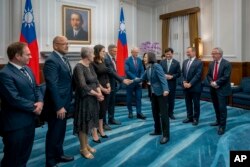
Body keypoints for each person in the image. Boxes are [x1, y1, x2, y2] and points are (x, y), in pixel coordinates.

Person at [0, 42, 43, 166]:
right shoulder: (5, 74)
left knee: (25, 154)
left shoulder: (27, 69)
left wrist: (40, 101)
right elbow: (14, 99)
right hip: (15, 124)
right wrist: (35, 107)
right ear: (18, 56)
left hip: (29, 120)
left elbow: (36, 87)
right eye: (28, 54)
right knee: (12, 158)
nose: (31, 57)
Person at [43, 36, 74, 167]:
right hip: (57, 105)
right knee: (54, 133)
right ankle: (50, 161)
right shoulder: (51, 61)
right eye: (64, 44)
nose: (67, 46)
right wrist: (59, 106)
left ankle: (59, 154)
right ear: (55, 46)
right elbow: (52, 85)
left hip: (65, 102)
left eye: (67, 43)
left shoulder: (64, 58)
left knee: (60, 131)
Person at [72, 47, 104, 159]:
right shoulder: (78, 67)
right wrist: (97, 94)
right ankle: (83, 148)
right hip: (84, 100)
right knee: (83, 124)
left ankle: (86, 144)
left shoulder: (90, 65)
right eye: (92, 54)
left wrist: (99, 92)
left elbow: (95, 81)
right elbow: (82, 86)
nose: (94, 56)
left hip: (93, 99)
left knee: (90, 122)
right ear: (87, 55)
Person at [136, 52, 170, 144]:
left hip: (161, 93)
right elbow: (142, 78)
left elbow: (163, 78)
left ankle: (166, 135)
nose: (144, 58)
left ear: (150, 57)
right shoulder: (148, 67)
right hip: (153, 93)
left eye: (146, 57)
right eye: (144, 57)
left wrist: (166, 90)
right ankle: (158, 130)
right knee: (155, 112)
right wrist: (131, 80)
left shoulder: (157, 66)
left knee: (163, 115)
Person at [104, 44, 132, 127]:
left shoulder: (112, 58)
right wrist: (122, 80)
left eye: (116, 51)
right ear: (109, 50)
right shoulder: (106, 59)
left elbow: (114, 72)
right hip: (107, 85)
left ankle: (111, 119)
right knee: (106, 104)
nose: (116, 52)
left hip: (113, 84)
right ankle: (104, 123)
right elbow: (111, 72)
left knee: (112, 103)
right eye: (114, 51)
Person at [206, 47, 232, 135]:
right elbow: (208, 75)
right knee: (216, 106)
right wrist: (211, 82)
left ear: (219, 54)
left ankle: (222, 126)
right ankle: (217, 120)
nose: (212, 55)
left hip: (222, 89)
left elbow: (226, 76)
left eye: (214, 53)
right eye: (212, 53)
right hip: (213, 88)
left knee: (222, 108)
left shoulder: (227, 64)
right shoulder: (211, 64)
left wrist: (216, 83)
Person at [92, 44, 111, 142]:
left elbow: (106, 75)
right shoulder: (93, 63)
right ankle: (95, 131)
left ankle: (101, 129)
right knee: (97, 111)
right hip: (98, 90)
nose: (105, 53)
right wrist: (103, 89)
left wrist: (108, 85)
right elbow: (94, 79)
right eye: (103, 51)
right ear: (97, 52)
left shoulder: (103, 61)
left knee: (103, 110)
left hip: (106, 89)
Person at [182, 47, 203, 126]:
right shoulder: (185, 62)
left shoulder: (199, 62)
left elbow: (198, 75)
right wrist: (184, 81)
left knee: (196, 104)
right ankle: (189, 117)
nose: (187, 53)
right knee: (188, 103)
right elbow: (183, 73)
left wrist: (190, 84)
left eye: (189, 52)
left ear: (194, 52)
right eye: (187, 52)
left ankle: (195, 118)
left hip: (195, 87)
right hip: (185, 86)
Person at [125, 47, 146, 119]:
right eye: (135, 52)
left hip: (138, 83)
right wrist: (135, 78)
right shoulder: (127, 60)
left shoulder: (140, 60)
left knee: (138, 98)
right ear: (132, 52)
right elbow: (127, 71)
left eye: (137, 52)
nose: (137, 54)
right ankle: (130, 112)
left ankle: (139, 113)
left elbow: (142, 71)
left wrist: (140, 79)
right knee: (129, 99)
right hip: (130, 82)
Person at [160, 48, 181, 120]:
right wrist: (164, 76)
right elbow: (159, 72)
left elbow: (179, 74)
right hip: (163, 84)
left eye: (169, 54)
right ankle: (164, 113)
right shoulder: (162, 62)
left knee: (171, 100)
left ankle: (170, 113)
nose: (168, 55)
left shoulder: (177, 63)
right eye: (166, 54)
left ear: (172, 54)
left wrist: (172, 76)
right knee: (164, 100)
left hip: (172, 84)